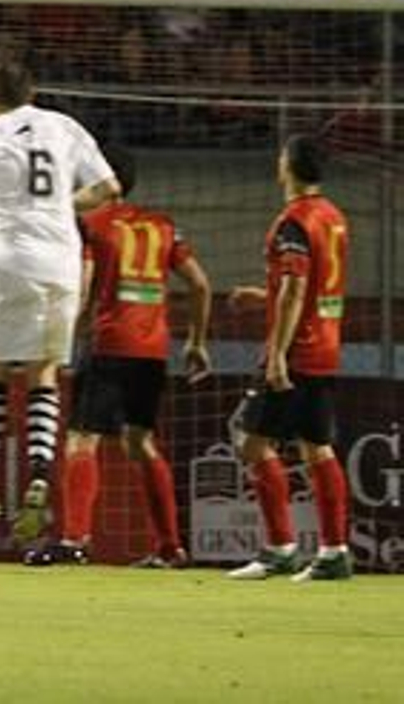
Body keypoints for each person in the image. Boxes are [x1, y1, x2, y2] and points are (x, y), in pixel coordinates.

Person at [0, 59, 120, 543]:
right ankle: (39, 476)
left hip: (14, 261)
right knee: (44, 371)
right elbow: (109, 188)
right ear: (33, 93)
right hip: (64, 264)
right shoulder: (64, 126)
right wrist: (59, 206)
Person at [24, 146, 212, 568]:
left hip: (110, 345)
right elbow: (200, 284)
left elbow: (84, 288)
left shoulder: (93, 224)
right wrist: (196, 341)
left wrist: (60, 341)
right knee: (140, 442)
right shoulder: (164, 226)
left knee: (81, 439)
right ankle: (170, 547)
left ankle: (74, 540)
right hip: (153, 352)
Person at [225, 135, 353, 582]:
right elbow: (313, 287)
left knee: (251, 443)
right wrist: (264, 296)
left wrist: (277, 354)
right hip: (326, 346)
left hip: (297, 351)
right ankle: (334, 551)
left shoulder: (293, 221)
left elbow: (296, 288)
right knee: (317, 447)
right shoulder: (334, 217)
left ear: (288, 166)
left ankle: (280, 548)